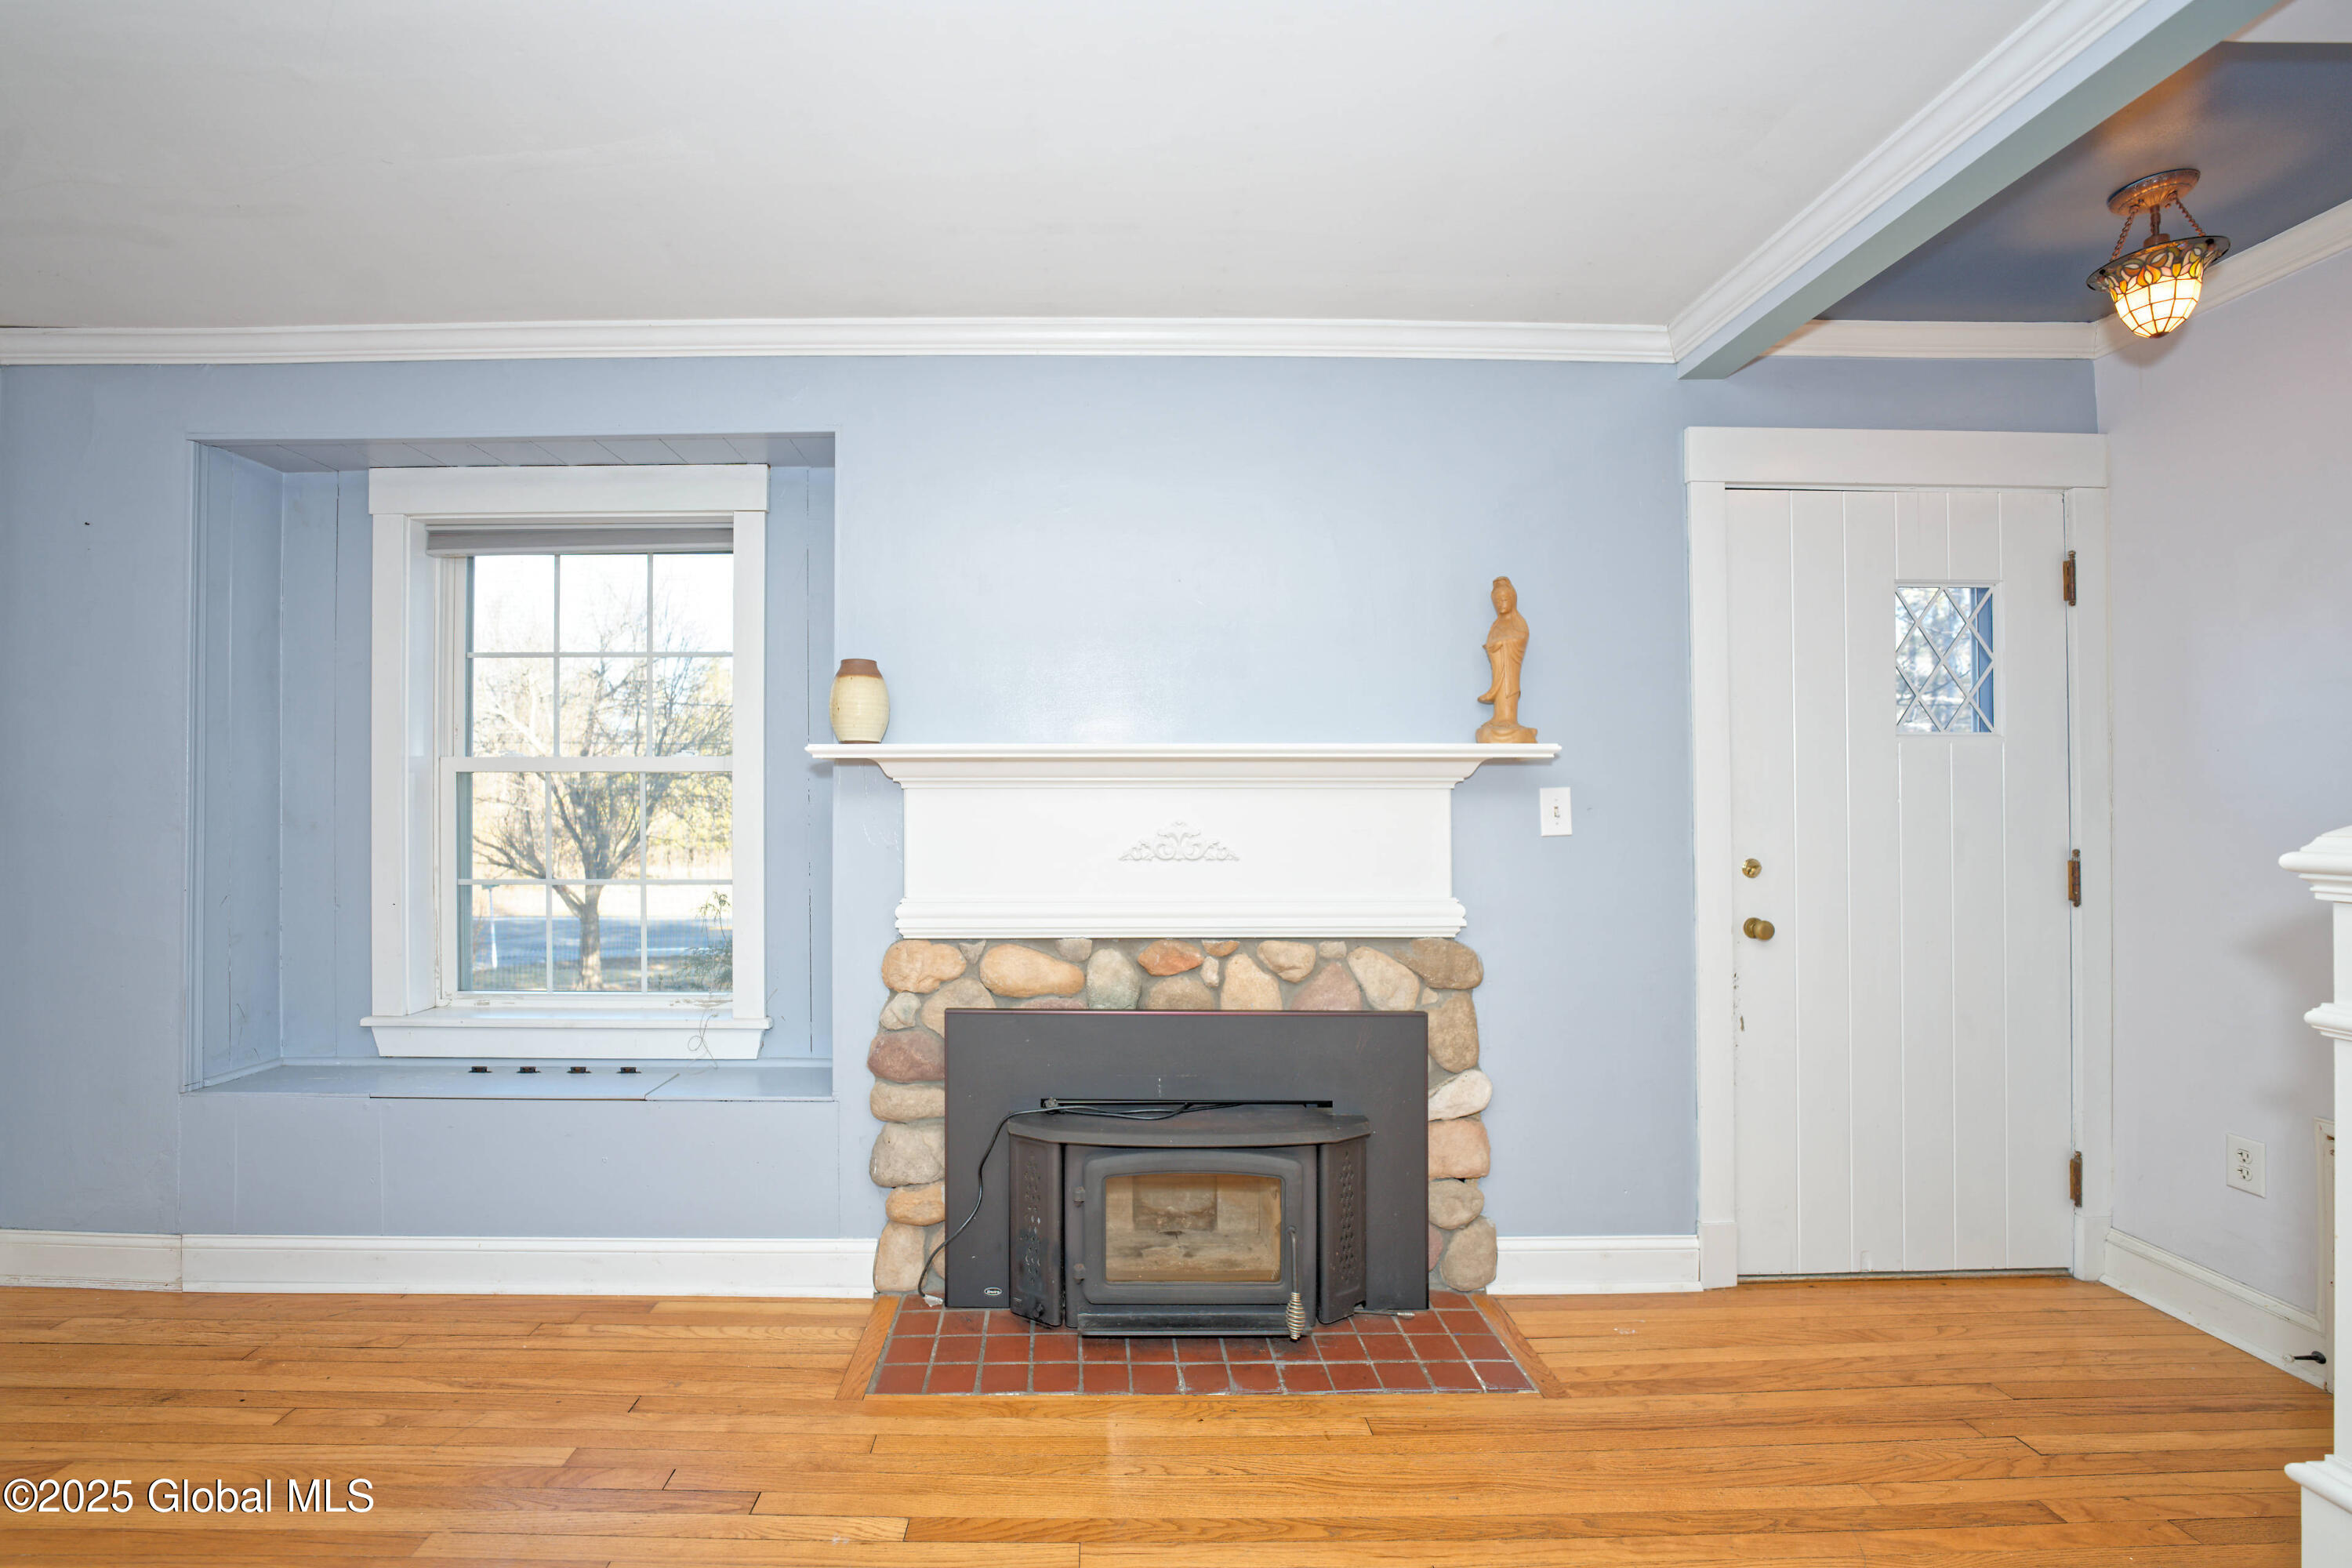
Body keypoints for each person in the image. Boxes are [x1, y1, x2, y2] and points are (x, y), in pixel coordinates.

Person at [1476, 576, 1535, 743]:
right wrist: (1493, 647)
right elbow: (1491, 642)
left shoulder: (1518, 622)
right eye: (1497, 601)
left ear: (1512, 600)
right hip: (1499, 668)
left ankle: (1510, 721)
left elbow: (1522, 638)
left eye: (1505, 600)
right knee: (1487, 732)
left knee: (1508, 692)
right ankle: (1498, 719)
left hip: (1510, 668)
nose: (1501, 603)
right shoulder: (1496, 625)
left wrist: (1503, 644)